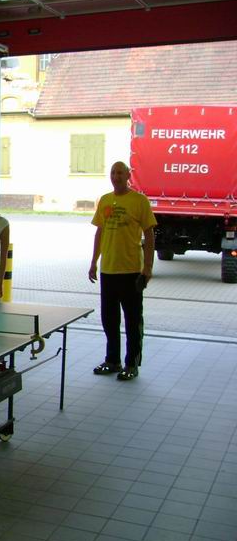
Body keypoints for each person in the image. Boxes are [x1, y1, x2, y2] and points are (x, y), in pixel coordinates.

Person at [88, 161, 156, 381]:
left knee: (132, 320)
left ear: (128, 175)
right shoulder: (106, 200)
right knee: (109, 320)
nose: (115, 176)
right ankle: (113, 360)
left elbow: (150, 235)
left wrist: (147, 268)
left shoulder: (139, 201)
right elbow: (99, 232)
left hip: (131, 272)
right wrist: (93, 261)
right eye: (112, 173)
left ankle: (131, 363)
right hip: (108, 271)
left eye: (120, 172)